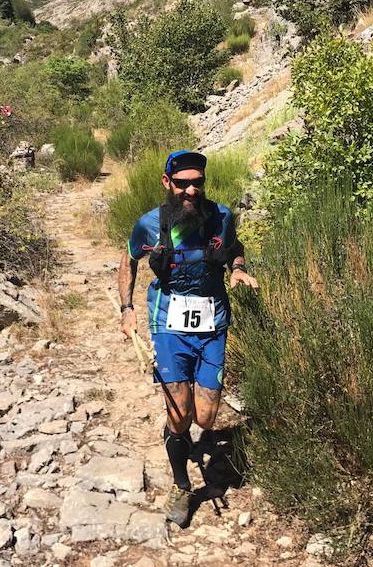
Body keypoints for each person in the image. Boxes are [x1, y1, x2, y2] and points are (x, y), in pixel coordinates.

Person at [118, 150, 259, 526]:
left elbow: (235, 248)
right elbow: (129, 259)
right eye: (183, 184)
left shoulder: (221, 216)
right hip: (169, 326)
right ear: (168, 183)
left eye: (198, 183)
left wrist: (239, 270)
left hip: (213, 323)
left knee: (207, 417)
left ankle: (187, 436)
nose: (191, 190)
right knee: (180, 415)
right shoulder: (149, 225)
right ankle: (182, 485)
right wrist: (127, 309)